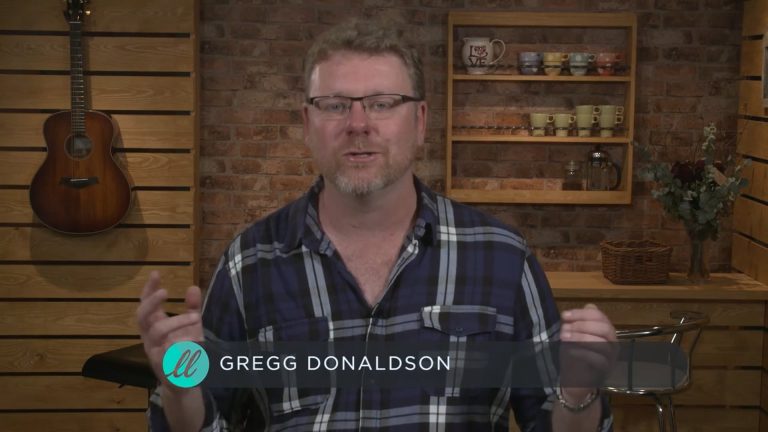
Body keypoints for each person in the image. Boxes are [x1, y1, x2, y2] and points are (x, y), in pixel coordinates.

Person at [137, 18, 616, 431]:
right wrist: (180, 389)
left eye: (383, 103)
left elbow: (550, 420)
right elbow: (204, 420)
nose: (358, 123)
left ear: (420, 121)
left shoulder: (503, 258)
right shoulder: (250, 263)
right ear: (307, 123)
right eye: (334, 104)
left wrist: (579, 393)